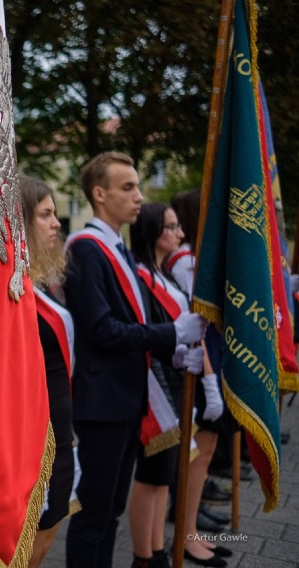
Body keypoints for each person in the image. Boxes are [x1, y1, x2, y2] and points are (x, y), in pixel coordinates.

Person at [63, 152, 206, 568]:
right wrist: (172, 333)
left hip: (125, 398)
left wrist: (173, 349)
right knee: (93, 515)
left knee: (111, 512)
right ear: (99, 193)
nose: (139, 196)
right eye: (128, 188)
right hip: (103, 402)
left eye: (138, 186)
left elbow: (132, 321)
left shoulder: (117, 249)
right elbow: (102, 330)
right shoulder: (87, 249)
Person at [128, 203, 204, 568]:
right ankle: (145, 555)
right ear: (151, 231)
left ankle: (157, 548)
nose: (180, 233)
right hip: (155, 385)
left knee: (164, 477)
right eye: (171, 227)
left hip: (174, 380)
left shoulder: (165, 274)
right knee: (152, 474)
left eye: (178, 226)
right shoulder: (141, 276)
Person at [168, 190, 232, 566]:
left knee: (205, 453)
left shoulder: (197, 259)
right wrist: (209, 380)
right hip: (200, 361)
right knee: (195, 453)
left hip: (214, 356)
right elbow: (196, 324)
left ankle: (192, 529)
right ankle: (186, 533)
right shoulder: (185, 262)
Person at [21, 177, 79, 568]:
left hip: (58, 439)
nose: (56, 223)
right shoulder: (8, 292)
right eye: (45, 214)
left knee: (41, 546)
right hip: (34, 449)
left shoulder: (35, 284)